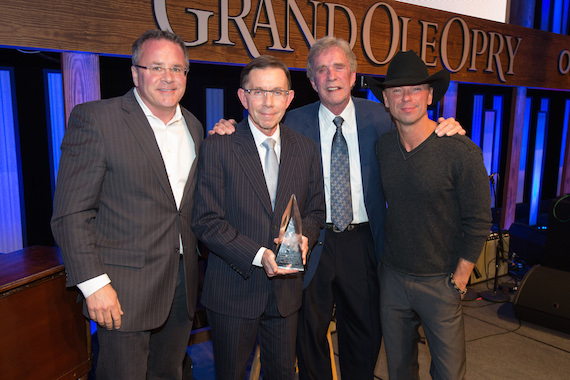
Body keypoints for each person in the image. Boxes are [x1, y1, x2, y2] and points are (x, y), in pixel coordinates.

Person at [211, 36, 464, 380]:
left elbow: (416, 132)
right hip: (311, 241)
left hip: (364, 242)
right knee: (308, 333)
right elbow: (255, 132)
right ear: (312, 82)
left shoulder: (381, 116)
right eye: (321, 70)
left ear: (353, 73)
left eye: (339, 67)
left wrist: (444, 129)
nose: (331, 76)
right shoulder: (291, 121)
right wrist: (228, 127)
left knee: (365, 331)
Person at [51, 30, 203, 379]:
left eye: (178, 69)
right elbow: (72, 214)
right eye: (156, 67)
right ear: (135, 73)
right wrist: (94, 284)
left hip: (181, 286)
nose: (168, 77)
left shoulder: (194, 126)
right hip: (121, 290)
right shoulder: (97, 119)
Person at [192, 55, 325, 380]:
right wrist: (258, 254)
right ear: (243, 96)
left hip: (285, 293)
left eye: (277, 92)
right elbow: (206, 220)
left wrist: (304, 236)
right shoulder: (219, 146)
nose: (268, 101)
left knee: (282, 374)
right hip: (233, 290)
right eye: (259, 91)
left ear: (290, 97)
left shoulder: (305, 148)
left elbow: (316, 209)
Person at [369, 50, 492, 379]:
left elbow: (480, 219)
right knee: (398, 369)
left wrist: (461, 278)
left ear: (431, 95)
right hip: (393, 278)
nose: (406, 97)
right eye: (397, 90)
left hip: (441, 282)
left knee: (449, 373)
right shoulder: (382, 148)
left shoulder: (460, 150)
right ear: (385, 99)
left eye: (415, 89)